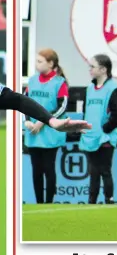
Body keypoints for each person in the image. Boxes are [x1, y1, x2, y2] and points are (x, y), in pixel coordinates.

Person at [23, 49, 71, 204]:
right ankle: (39, 203)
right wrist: (28, 120)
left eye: (40, 61)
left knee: (48, 169)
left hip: (50, 133)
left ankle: (49, 202)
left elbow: (61, 107)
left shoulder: (59, 82)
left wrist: (43, 121)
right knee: (36, 170)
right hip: (33, 132)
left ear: (51, 64)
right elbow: (24, 102)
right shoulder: (32, 81)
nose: (37, 64)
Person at [79, 54, 117, 204]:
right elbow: (85, 111)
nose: (89, 69)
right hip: (90, 137)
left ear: (103, 69)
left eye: (93, 66)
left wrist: (105, 129)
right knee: (93, 172)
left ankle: (109, 199)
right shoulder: (89, 89)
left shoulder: (113, 89)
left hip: (105, 137)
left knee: (105, 170)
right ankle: (91, 200)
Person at [0, 83, 91, 133]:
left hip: (50, 136)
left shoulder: (59, 82)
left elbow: (18, 101)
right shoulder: (33, 80)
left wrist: (51, 121)